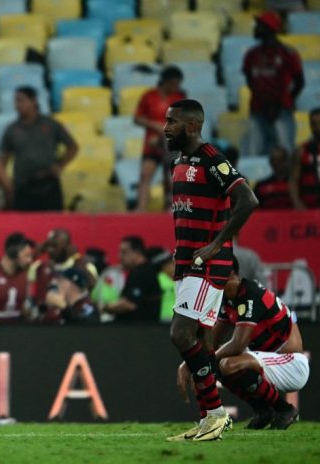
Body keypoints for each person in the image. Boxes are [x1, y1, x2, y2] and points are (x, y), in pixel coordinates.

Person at [165, 99, 259, 442]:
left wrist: (217, 244)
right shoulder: (180, 161)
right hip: (187, 263)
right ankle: (210, 419)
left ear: (192, 125)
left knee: (180, 334)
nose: (165, 128)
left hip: (207, 265)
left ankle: (217, 414)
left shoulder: (211, 159)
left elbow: (248, 200)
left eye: (172, 122)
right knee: (201, 339)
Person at [212, 259, 306, 430]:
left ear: (231, 275)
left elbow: (238, 344)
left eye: (213, 276)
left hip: (291, 363)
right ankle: (263, 411)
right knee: (216, 366)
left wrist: (207, 358)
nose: (210, 282)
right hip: (268, 359)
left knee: (228, 363)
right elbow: (213, 342)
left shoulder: (250, 294)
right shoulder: (228, 299)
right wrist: (193, 361)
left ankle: (285, 410)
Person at [0, 86, 78, 211]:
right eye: (16, 101)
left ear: (33, 101)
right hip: (23, 186)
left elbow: (73, 147)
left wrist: (60, 165)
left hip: (48, 184)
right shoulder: (12, 129)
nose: (17, 105)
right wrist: (8, 185)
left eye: (21, 100)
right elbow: (2, 160)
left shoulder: (51, 125)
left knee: (51, 222)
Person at [243, 11, 304, 156]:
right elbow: (250, 80)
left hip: (281, 112)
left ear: (269, 28)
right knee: (253, 154)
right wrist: (261, 101)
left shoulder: (287, 53)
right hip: (258, 111)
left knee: (285, 152)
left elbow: (300, 82)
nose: (255, 28)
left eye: (259, 25)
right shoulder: (252, 54)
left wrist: (285, 102)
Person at [134, 66, 186, 212]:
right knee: (145, 175)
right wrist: (154, 125)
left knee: (169, 178)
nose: (177, 87)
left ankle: (168, 209)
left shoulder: (179, 98)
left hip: (171, 144)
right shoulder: (149, 96)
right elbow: (137, 118)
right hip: (151, 144)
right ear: (166, 81)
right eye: (174, 83)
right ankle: (141, 208)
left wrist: (164, 129)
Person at [103, 236, 162, 323]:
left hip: (140, 330)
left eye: (124, 252)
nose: (119, 257)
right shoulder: (141, 271)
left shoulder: (142, 273)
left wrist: (106, 308)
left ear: (137, 253)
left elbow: (129, 304)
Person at [289, 107, 320, 210]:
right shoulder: (302, 150)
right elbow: (294, 180)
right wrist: (297, 203)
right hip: (309, 208)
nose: (317, 128)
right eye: (314, 124)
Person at [146, 247, 176, 323]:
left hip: (181, 319)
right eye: (168, 264)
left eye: (172, 261)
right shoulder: (157, 280)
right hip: (163, 320)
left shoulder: (183, 278)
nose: (173, 265)